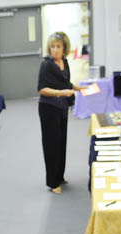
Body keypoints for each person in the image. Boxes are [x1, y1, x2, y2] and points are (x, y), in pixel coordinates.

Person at [38, 31, 82, 194]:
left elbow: (65, 82)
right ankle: (52, 182)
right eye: (53, 47)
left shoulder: (64, 62)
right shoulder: (46, 65)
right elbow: (42, 89)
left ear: (64, 48)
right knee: (51, 145)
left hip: (62, 108)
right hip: (49, 108)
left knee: (61, 143)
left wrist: (78, 87)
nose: (55, 50)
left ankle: (60, 176)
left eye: (59, 46)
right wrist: (61, 93)